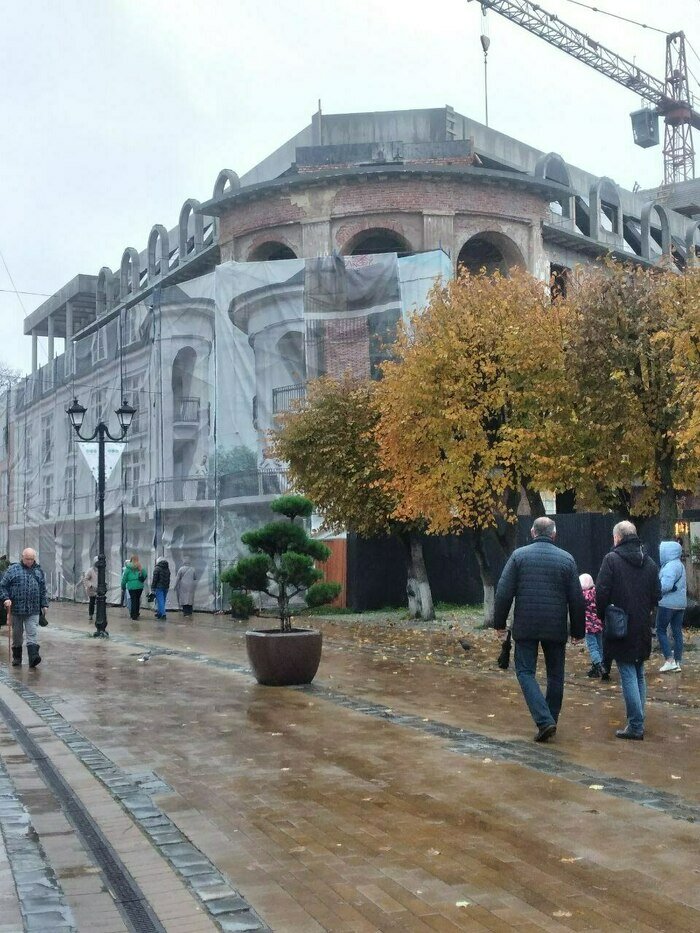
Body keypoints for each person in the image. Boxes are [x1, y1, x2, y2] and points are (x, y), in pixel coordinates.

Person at [494, 517, 585, 742]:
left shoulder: (519, 556)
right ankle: (550, 719)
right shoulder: (567, 560)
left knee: (525, 672)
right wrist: (578, 631)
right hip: (555, 627)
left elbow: (503, 593)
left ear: (533, 533)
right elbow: (576, 598)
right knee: (556, 675)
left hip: (526, 626)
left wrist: (499, 624)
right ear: (554, 535)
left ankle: (545, 721)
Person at [595, 521, 660, 740]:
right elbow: (656, 595)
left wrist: (604, 615)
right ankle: (638, 720)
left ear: (618, 538)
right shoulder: (649, 562)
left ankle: (635, 724)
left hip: (620, 625)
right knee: (638, 671)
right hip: (642, 625)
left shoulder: (611, 560)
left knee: (628, 674)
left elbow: (601, 593)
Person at [0, 548, 48, 668]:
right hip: (16, 610)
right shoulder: (13, 569)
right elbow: (2, 586)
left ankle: (33, 658)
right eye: (27, 559)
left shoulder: (38, 571)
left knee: (32, 632)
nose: (30, 561)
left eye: (32, 559)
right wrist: (6, 598)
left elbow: (43, 589)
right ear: (22, 557)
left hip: (33, 609)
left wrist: (44, 604)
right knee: (17, 635)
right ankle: (17, 657)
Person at [656, 539, 687, 673]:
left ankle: (669, 660)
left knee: (660, 630)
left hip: (667, 604)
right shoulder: (680, 564)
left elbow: (666, 586)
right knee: (677, 632)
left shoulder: (669, 566)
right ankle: (677, 662)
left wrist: (656, 588)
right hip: (680, 604)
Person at [580, 573, 604, 678]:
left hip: (588, 626)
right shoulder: (597, 593)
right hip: (599, 624)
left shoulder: (581, 596)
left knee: (592, 646)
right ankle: (602, 664)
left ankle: (598, 664)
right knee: (600, 645)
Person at [121, 555, 147, 620]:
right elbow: (145, 575)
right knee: (137, 600)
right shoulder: (139, 566)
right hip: (139, 586)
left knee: (133, 600)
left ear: (131, 560)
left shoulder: (128, 568)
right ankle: (137, 613)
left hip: (131, 586)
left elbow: (124, 579)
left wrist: (123, 586)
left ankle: (133, 615)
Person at [82, 557, 98, 622]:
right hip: (92, 590)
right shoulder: (90, 570)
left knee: (100, 603)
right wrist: (90, 585)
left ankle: (98, 615)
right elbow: (85, 579)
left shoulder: (101, 570)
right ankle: (90, 615)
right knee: (92, 602)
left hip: (99, 589)